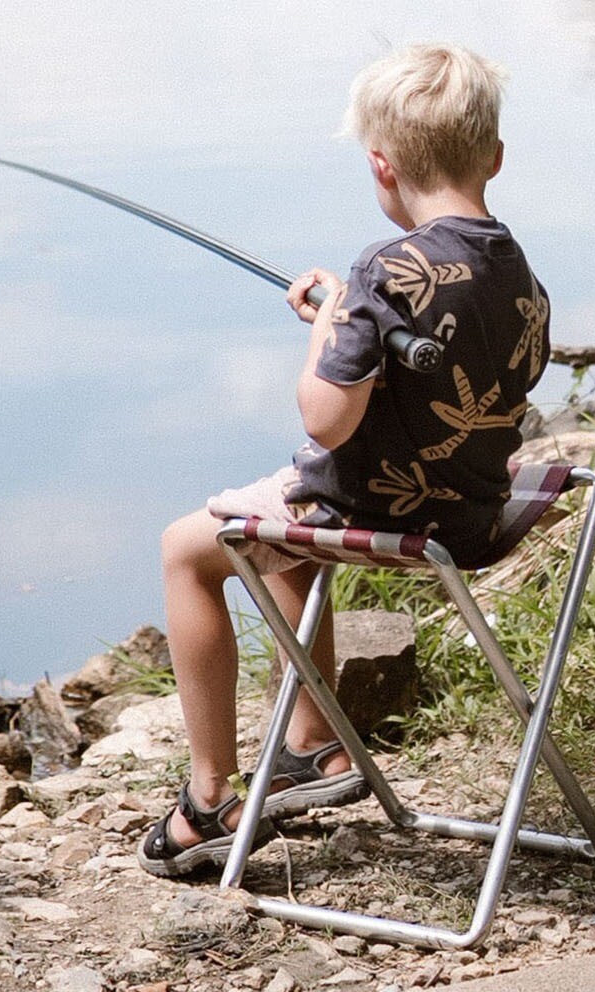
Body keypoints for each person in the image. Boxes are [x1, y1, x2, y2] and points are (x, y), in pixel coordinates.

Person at [141, 43, 552, 877]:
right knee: (281, 524)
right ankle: (312, 746)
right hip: (469, 516)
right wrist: (350, 314)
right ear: (496, 158)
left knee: (187, 550)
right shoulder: (521, 273)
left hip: (375, 515)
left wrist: (333, 323)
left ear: (382, 164)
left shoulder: (381, 270)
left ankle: (209, 798)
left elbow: (326, 422)